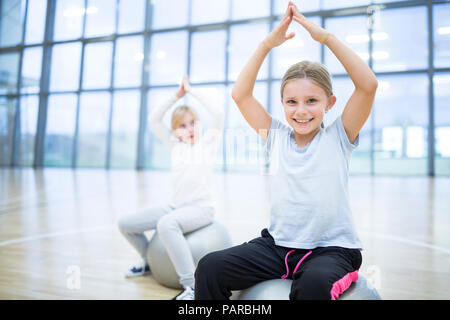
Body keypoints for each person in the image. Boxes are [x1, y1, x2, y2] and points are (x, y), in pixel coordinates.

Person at [194, 2, 378, 300]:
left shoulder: (339, 136)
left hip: (331, 251)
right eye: (291, 102)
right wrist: (268, 43)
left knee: (312, 287)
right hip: (278, 247)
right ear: (282, 103)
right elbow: (240, 94)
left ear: (329, 103)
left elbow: (367, 86)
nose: (301, 111)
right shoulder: (275, 137)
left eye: (311, 101)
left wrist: (326, 38)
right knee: (209, 267)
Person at [118, 76, 224, 300]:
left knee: (167, 225)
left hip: (202, 208)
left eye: (193, 123)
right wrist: (175, 96)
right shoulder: (175, 144)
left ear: (200, 123)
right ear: (175, 131)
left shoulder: (208, 142)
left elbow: (218, 113)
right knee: (126, 224)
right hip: (174, 206)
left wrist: (192, 92)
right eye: (183, 126)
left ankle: (192, 286)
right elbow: (154, 119)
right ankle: (148, 260)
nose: (189, 129)